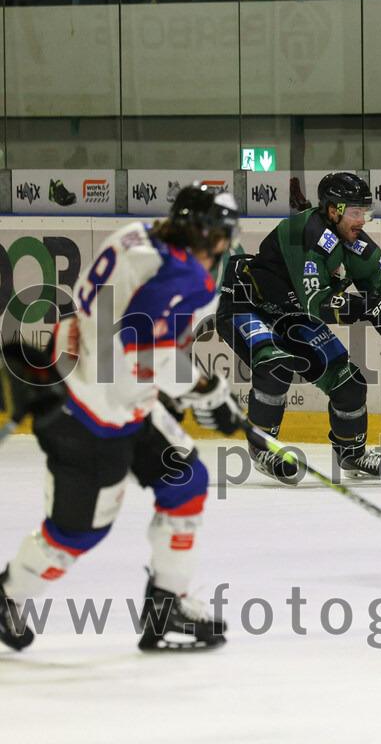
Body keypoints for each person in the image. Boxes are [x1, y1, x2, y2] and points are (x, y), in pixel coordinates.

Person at [0, 185, 243, 653]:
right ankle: (7, 595)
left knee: (186, 479)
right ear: (213, 237)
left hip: (103, 391)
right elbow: (145, 354)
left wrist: (192, 391)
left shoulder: (139, 234)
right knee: (76, 533)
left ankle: (167, 603)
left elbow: (128, 338)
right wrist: (205, 391)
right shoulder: (182, 275)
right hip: (91, 419)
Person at [216, 172, 381, 482]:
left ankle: (352, 453)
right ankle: (263, 447)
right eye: (356, 212)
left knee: (349, 382)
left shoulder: (355, 242)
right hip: (246, 305)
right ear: (333, 210)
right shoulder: (307, 233)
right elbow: (317, 304)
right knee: (275, 364)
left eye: (365, 212)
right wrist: (370, 309)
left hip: (291, 313)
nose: (363, 220)